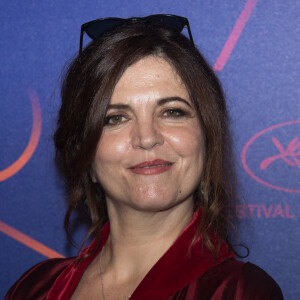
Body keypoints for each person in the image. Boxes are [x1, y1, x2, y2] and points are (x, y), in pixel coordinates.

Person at [5, 14, 284, 300]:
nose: (147, 138)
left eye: (172, 112)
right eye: (115, 118)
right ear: (83, 153)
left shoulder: (240, 293)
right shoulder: (33, 289)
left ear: (208, 139)